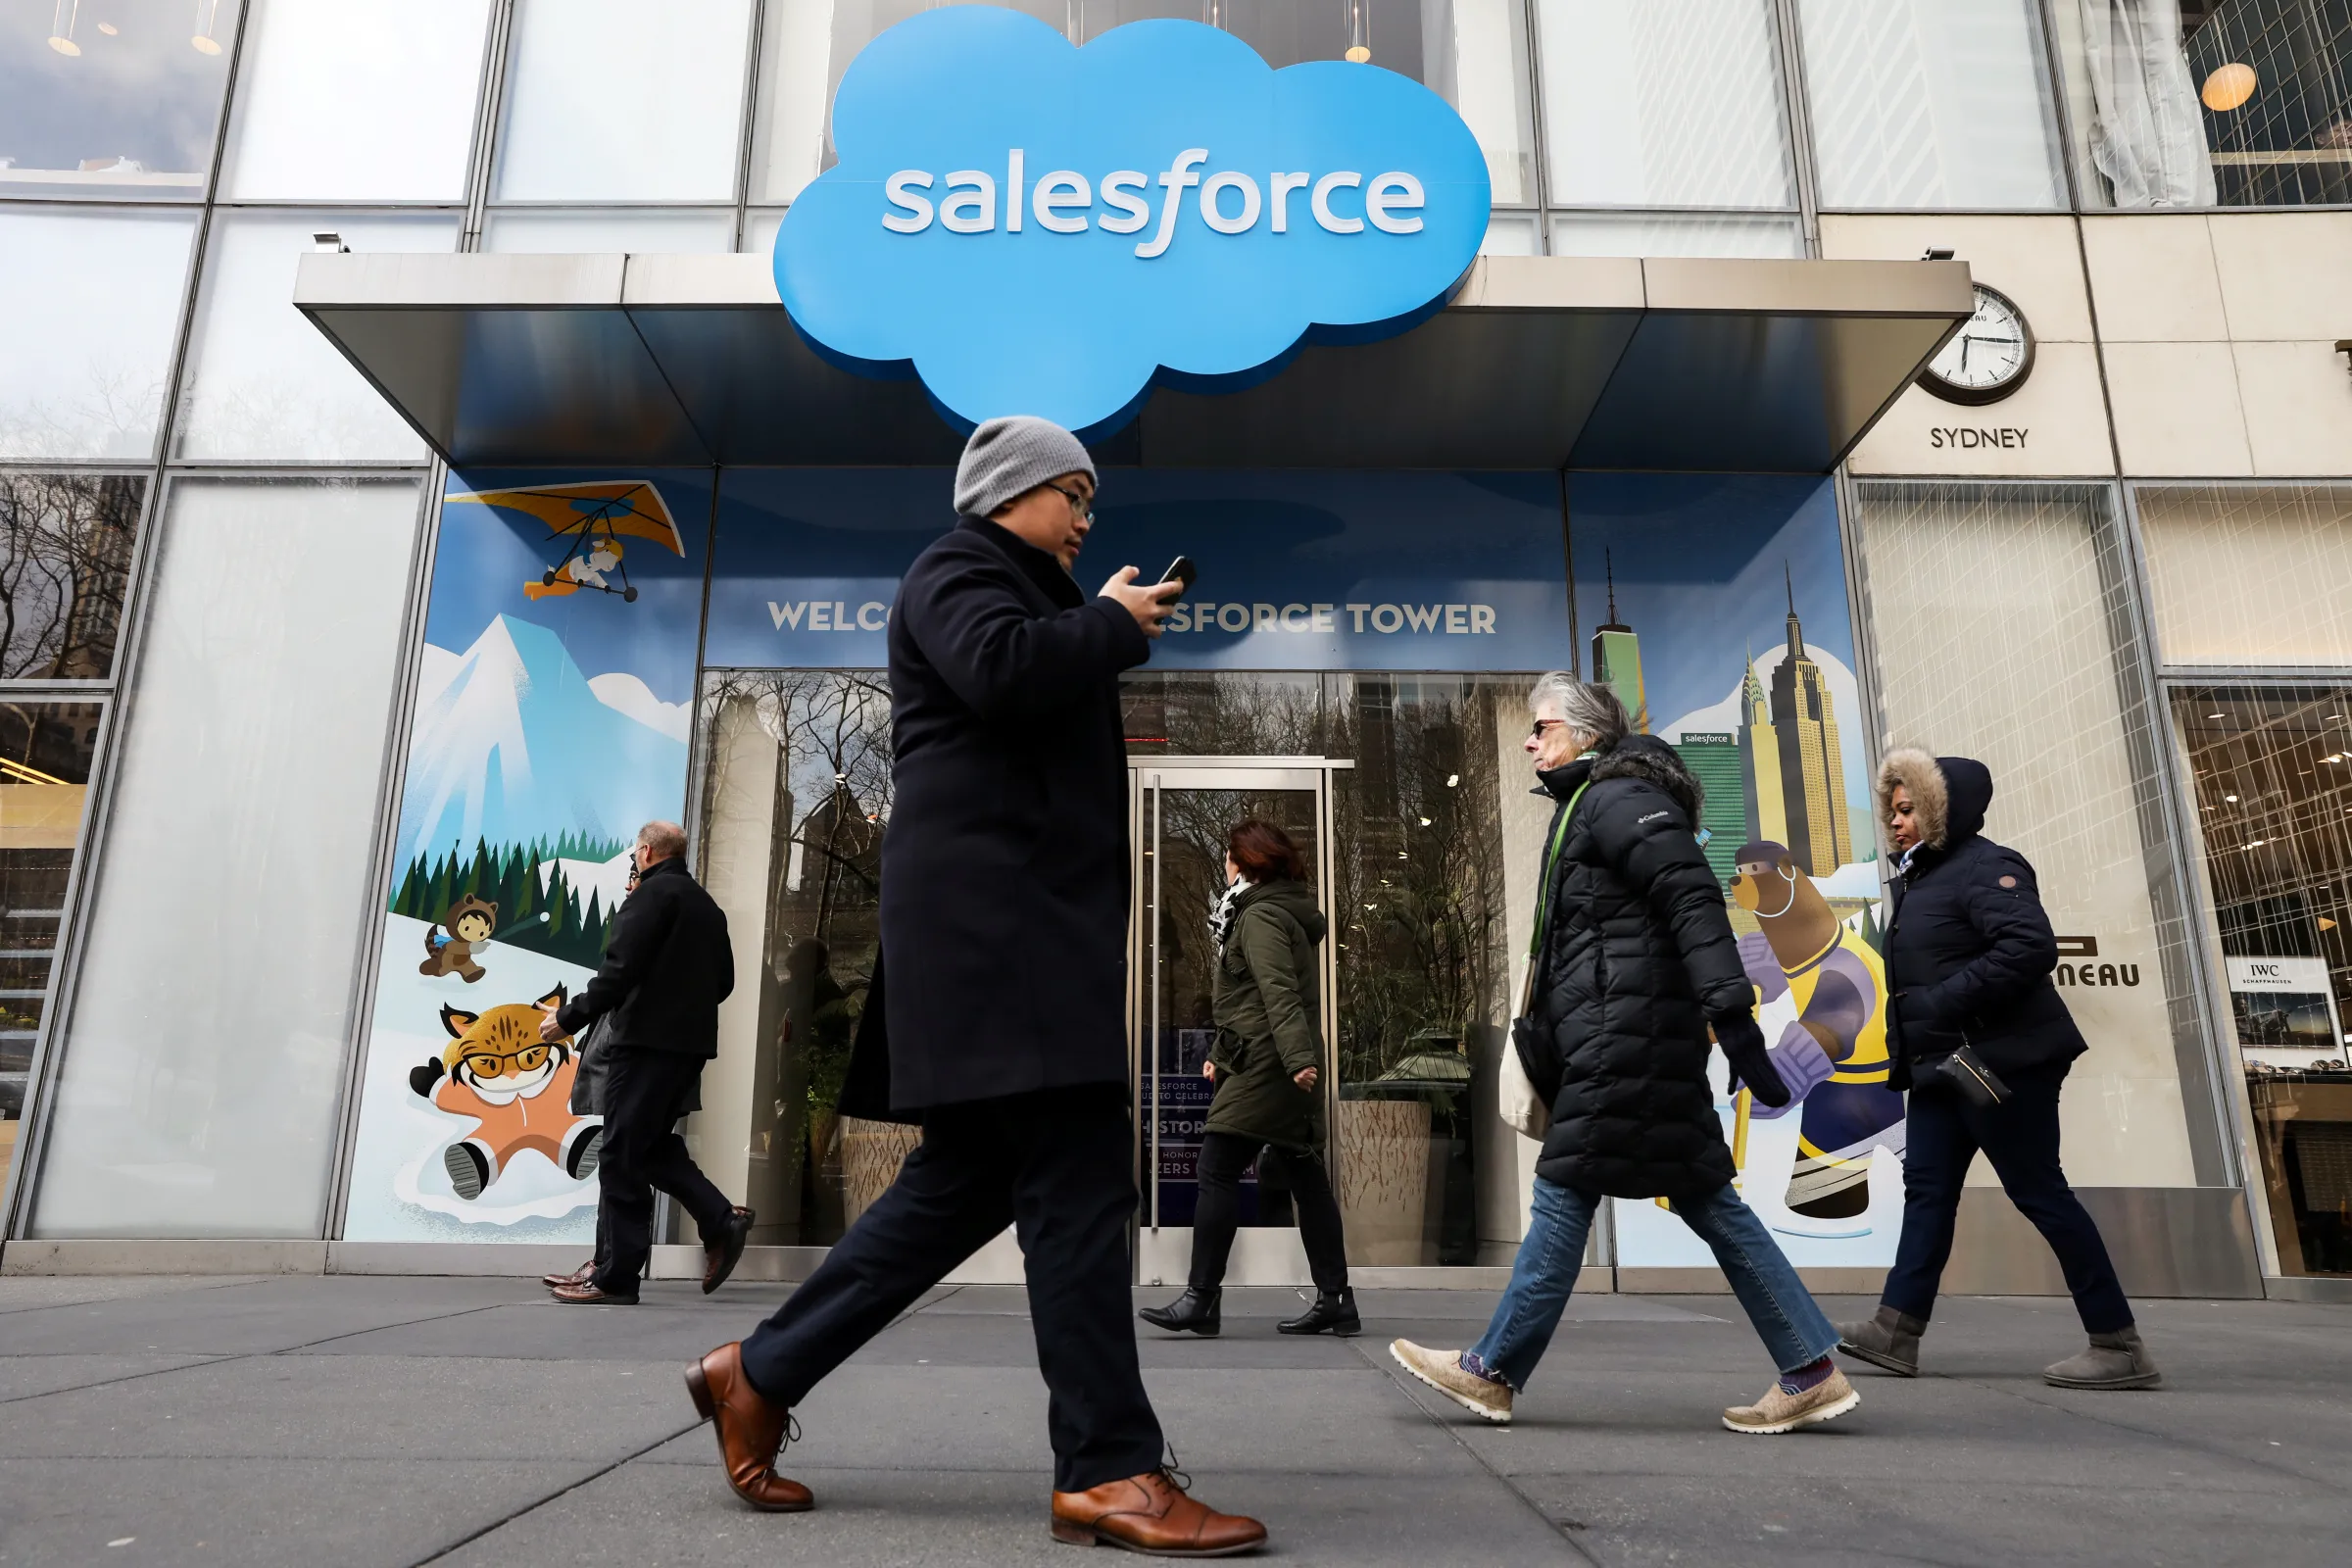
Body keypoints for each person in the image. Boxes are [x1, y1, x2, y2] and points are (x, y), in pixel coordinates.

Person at [684, 416, 1266, 1554]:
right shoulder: (956, 568)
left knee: (965, 1186)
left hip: (1012, 943)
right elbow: (1001, 675)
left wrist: (1094, 617)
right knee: (1084, 1173)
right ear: (1011, 491)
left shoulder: (1021, 589)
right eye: (1072, 491)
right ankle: (1108, 1471)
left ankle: (758, 1371)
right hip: (1003, 944)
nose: (1088, 513)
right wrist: (1107, 621)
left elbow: (1024, 687)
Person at [1390, 675, 1860, 1436]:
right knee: (1710, 1200)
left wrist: (1733, 1019)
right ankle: (1809, 1367)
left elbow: (1692, 896)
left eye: (1542, 727)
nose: (1529, 741)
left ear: (1586, 736)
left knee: (1566, 1188)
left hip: (1626, 1041)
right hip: (1629, 1037)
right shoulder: (1598, 801)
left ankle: (1492, 1368)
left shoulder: (1616, 798)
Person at [1837, 752, 2159, 1390]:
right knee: (1927, 1193)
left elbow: (2029, 947)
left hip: (1996, 1064)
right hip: (1942, 1068)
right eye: (1892, 811)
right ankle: (1896, 1330)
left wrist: (1939, 1002)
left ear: (1942, 808)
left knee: (2039, 1192)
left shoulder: (1988, 867)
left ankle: (2118, 1344)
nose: (1896, 823)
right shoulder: (1925, 877)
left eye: (1909, 810)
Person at [1141, 818, 1354, 1339]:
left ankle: (1201, 1300)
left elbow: (1279, 993)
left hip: (1271, 1062)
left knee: (1216, 1167)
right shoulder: (1275, 912)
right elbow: (1247, 999)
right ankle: (1337, 1300)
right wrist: (1219, 1051)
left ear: (1246, 862)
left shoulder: (1259, 918)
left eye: (1229, 856)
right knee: (1306, 1175)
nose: (1225, 864)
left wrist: (1299, 1058)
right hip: (1267, 1056)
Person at [538, 821, 753, 1305]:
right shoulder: (707, 907)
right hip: (688, 1048)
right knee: (650, 1146)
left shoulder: (649, 898)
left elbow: (618, 971)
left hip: (642, 1046)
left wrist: (568, 1019)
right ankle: (721, 1220)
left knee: (619, 1154)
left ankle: (616, 1278)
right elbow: (724, 982)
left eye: (636, 854)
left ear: (647, 852)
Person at [544, 858, 638, 1296]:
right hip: (620, 1046)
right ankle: (604, 1263)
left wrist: (568, 1017)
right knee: (622, 1157)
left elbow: (614, 981)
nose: (629, 883)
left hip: (631, 1053)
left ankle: (611, 1269)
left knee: (627, 1159)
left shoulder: (651, 919)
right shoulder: (648, 918)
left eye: (635, 875)